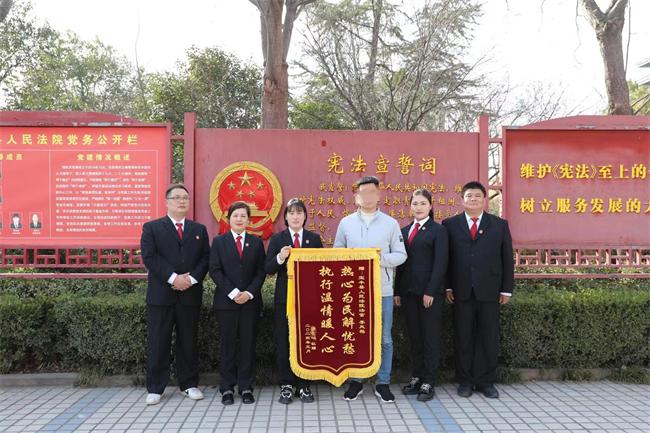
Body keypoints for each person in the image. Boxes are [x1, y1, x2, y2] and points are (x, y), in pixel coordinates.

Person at [333, 175, 407, 403]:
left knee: (385, 339)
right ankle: (357, 380)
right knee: (356, 336)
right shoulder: (346, 223)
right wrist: (352, 258)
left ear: (378, 194)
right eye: (362, 192)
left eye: (371, 192)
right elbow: (337, 253)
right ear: (356, 196)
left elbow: (401, 255)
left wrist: (379, 259)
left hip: (382, 291)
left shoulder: (390, 223)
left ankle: (383, 381)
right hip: (353, 292)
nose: (366, 196)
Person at [442, 181, 514, 399]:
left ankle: (486, 382)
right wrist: (448, 286)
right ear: (462, 200)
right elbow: (446, 259)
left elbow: (506, 259)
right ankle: (465, 381)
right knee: (463, 337)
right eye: (469, 196)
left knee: (488, 337)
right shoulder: (450, 225)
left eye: (477, 196)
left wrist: (506, 290)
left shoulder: (499, 225)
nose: (473, 199)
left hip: (490, 291)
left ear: (484, 200)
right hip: (461, 290)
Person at [140, 184, 210, 406]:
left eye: (185, 198)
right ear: (167, 202)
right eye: (177, 197)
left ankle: (189, 384)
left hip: (190, 294)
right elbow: (150, 257)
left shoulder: (199, 230)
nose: (182, 201)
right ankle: (155, 387)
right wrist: (173, 278)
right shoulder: (152, 228)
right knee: (158, 340)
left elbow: (205, 259)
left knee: (188, 341)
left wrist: (191, 279)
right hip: (161, 295)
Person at [265, 198, 323, 405]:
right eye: (291, 213)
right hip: (285, 299)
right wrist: (281, 258)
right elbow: (268, 268)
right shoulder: (278, 239)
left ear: (305, 216)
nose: (296, 216)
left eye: (299, 212)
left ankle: (304, 384)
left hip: (308, 300)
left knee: (307, 341)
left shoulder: (314, 239)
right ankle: (286, 384)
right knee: (284, 341)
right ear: (286, 217)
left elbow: (322, 268)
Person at [209, 201, 266, 405]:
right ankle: (227, 388)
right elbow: (215, 270)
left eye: (243, 216)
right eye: (235, 215)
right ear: (229, 219)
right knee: (227, 346)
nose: (239, 219)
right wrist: (233, 293)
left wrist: (249, 293)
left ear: (249, 220)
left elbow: (261, 271)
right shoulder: (219, 242)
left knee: (247, 346)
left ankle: (246, 387)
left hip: (250, 303)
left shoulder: (256, 242)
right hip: (226, 303)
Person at [394, 189, 448, 401]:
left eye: (423, 203)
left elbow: (440, 263)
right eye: (415, 203)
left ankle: (429, 381)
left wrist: (430, 291)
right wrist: (398, 291)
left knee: (429, 338)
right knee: (415, 337)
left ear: (430, 206)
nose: (418, 207)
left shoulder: (438, 231)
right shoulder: (404, 230)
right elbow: (401, 264)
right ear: (410, 206)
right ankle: (417, 377)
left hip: (429, 295)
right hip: (409, 293)